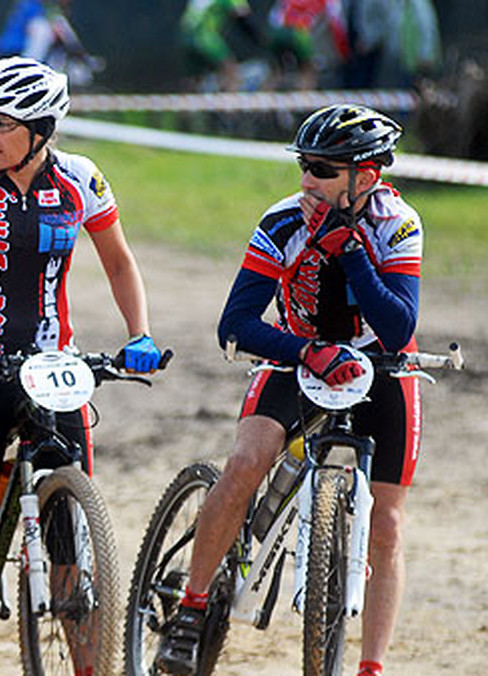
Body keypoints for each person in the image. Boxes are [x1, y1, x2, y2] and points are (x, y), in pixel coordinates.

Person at [155, 104, 419, 676]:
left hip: (379, 367)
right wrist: (306, 350)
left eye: (322, 169)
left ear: (365, 177)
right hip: (297, 356)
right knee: (249, 459)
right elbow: (237, 323)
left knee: (389, 522)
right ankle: (192, 608)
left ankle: (371, 665)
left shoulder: (397, 223)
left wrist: (348, 248)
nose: (306, 180)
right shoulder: (281, 221)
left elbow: (398, 326)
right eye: (303, 165)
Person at [0, 56, 163, 676]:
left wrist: (138, 334)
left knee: (70, 524)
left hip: (53, 363)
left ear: (41, 130)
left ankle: (85, 662)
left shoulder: (81, 180)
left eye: (1, 124)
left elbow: (118, 262)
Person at [179, 0, 262, 92]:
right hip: (206, 36)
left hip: (185, 37)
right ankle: (229, 103)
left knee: (193, 80)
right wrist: (260, 40)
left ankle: (187, 103)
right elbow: (244, 18)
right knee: (230, 70)